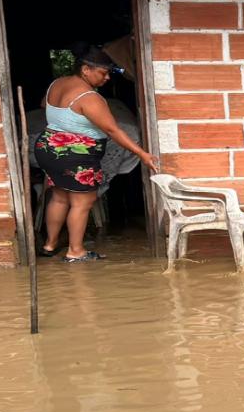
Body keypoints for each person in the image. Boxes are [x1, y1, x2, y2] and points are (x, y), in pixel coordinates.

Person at [34, 42, 158, 262]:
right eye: (103, 73)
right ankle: (76, 251)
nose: (107, 78)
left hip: (49, 148)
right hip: (75, 154)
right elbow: (112, 130)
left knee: (60, 197)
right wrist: (142, 153)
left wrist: (68, 121)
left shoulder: (57, 84)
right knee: (83, 202)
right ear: (85, 70)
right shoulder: (89, 98)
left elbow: (45, 103)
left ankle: (50, 244)